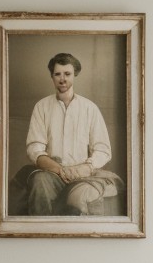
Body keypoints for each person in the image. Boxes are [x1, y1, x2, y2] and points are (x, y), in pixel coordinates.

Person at [23, 53, 121, 215]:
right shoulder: (42, 107)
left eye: (67, 74)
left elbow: (103, 149)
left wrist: (87, 167)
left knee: (82, 198)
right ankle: (43, 234)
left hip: (82, 175)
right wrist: (59, 170)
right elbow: (34, 148)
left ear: (74, 74)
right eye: (57, 74)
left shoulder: (90, 108)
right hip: (52, 174)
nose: (62, 79)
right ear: (52, 76)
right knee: (38, 181)